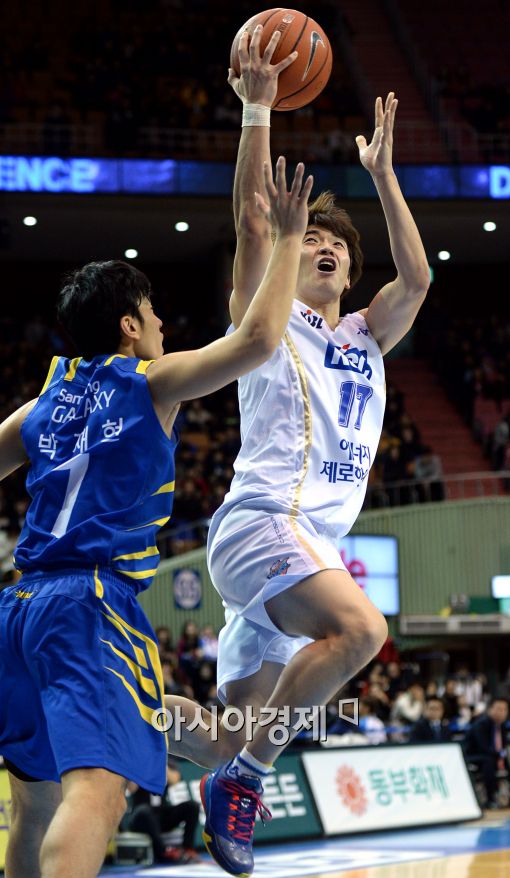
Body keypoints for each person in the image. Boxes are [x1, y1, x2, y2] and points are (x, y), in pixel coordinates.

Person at [0, 153, 314, 878]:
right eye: (154, 315)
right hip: (91, 601)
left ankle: (221, 758)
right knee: (99, 794)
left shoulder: (42, 402)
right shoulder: (147, 383)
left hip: (19, 609)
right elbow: (259, 342)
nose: (164, 325)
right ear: (127, 326)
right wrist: (290, 238)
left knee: (37, 807)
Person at [167, 27, 430, 878]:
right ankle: (248, 785)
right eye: (312, 240)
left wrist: (385, 179)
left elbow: (418, 281)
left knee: (217, 738)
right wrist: (254, 111)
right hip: (263, 524)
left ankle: (107, 706)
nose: (325, 248)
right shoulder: (270, 315)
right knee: (362, 629)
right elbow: (251, 222)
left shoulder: (367, 336)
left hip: (303, 551)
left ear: (351, 272)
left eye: (338, 247)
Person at [124, 762, 201, 865]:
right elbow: (131, 788)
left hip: (161, 814)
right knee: (145, 810)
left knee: (192, 806)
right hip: (141, 816)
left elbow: (175, 779)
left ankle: (188, 849)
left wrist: (158, 760)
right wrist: (142, 762)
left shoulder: (163, 760)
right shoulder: (138, 760)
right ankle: (163, 852)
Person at [463, 697, 509, 808]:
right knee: (488, 761)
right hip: (474, 757)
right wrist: (502, 754)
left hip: (493, 756)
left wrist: (503, 754)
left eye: (504, 710)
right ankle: (490, 798)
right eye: (498, 709)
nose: (501, 712)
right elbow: (483, 747)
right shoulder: (481, 724)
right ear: (490, 709)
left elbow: (503, 746)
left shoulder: (502, 726)